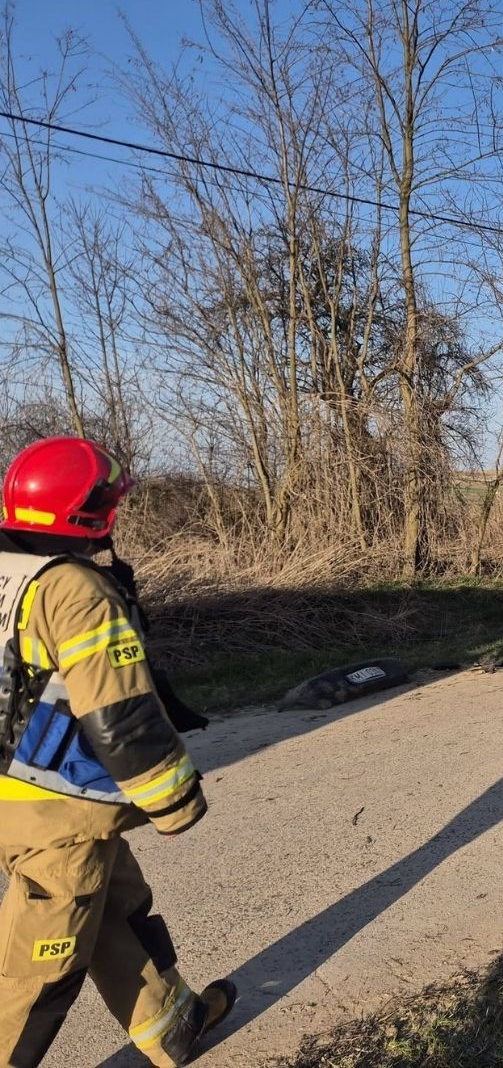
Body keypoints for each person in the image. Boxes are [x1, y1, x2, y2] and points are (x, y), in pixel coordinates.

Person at [0, 436, 236, 1066]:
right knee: (44, 963)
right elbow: (120, 711)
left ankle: (172, 1024)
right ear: (85, 509)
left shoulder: (7, 569)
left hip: (22, 797)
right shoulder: (72, 590)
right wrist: (175, 801)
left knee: (116, 906)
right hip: (54, 808)